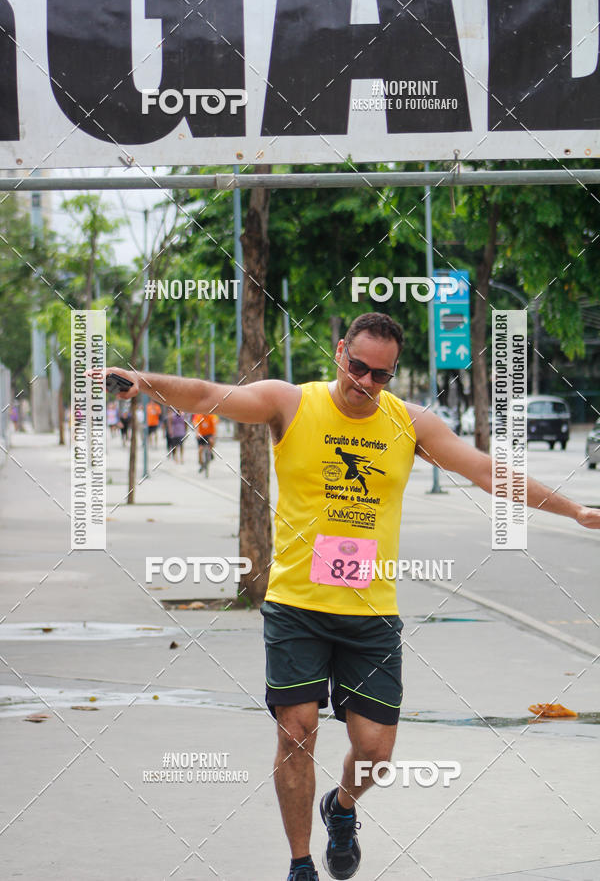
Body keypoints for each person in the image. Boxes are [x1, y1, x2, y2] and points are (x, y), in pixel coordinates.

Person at [102, 312, 600, 881]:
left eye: (380, 375)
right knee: (296, 732)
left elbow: (488, 472)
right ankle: (300, 865)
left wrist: (576, 511)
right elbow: (211, 395)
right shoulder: (291, 403)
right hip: (296, 606)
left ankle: (341, 808)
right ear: (340, 352)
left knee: (376, 754)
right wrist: (146, 381)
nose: (365, 381)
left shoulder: (410, 423)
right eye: (358, 366)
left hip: (371, 614)